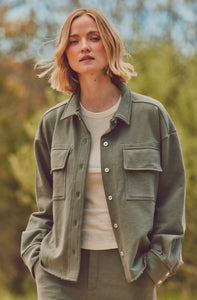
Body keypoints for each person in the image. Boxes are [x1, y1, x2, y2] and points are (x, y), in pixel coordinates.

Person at [20, 7, 186, 300]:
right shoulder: (52, 124)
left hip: (131, 274)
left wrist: (158, 265)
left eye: (93, 37)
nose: (84, 46)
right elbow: (44, 207)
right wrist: (37, 261)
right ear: (65, 54)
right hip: (60, 276)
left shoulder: (152, 117)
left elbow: (171, 197)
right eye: (74, 41)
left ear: (109, 45)